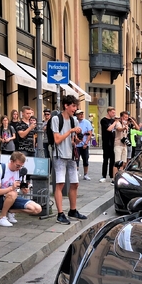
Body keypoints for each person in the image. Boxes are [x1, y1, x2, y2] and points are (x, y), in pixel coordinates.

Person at [50, 94, 88, 224]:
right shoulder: (56, 119)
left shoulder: (74, 120)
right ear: (66, 106)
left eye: (76, 106)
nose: (75, 108)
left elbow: (73, 140)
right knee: (60, 184)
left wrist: (77, 139)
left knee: (75, 183)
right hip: (60, 155)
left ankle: (73, 210)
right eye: (73, 106)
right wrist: (71, 130)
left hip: (71, 155)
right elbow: (57, 139)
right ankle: (60, 214)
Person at [0, 151, 42, 226]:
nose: (19, 168)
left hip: (12, 198)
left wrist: (25, 189)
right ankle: (2, 218)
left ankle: (10, 211)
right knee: (13, 193)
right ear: (11, 161)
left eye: (21, 166)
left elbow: (22, 188)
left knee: (37, 209)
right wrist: (11, 188)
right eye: (17, 166)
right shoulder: (0, 169)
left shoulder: (21, 171)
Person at [75, 110, 94, 180]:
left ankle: (85, 174)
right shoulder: (74, 121)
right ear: (76, 115)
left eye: (82, 114)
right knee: (76, 159)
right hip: (76, 145)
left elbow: (90, 133)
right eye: (79, 114)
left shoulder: (87, 122)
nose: (81, 115)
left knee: (85, 159)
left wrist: (86, 143)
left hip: (84, 144)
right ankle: (76, 173)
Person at [113, 111, 132, 180]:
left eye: (127, 117)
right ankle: (114, 178)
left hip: (124, 145)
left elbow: (138, 128)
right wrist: (124, 128)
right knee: (117, 162)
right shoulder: (118, 123)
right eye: (125, 117)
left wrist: (130, 121)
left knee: (124, 162)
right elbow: (119, 129)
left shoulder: (126, 124)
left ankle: (120, 176)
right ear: (121, 117)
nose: (126, 119)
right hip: (118, 144)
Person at [100, 107, 117, 183]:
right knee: (106, 160)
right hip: (106, 142)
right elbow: (109, 129)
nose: (114, 114)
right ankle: (103, 175)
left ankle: (111, 175)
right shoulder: (104, 120)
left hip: (113, 142)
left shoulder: (113, 120)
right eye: (113, 112)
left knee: (112, 160)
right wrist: (115, 123)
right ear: (109, 112)